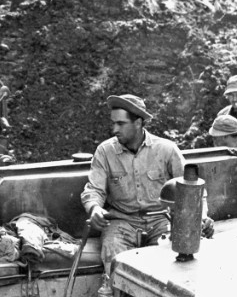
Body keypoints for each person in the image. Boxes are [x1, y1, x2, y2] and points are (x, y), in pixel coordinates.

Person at [82, 94, 199, 279]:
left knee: (170, 261)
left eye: (120, 124)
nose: (114, 129)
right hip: (121, 222)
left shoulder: (167, 149)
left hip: (161, 220)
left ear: (138, 123)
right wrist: (95, 208)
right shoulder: (105, 151)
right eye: (113, 123)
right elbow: (94, 189)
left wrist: (203, 217)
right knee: (113, 256)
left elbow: (191, 190)